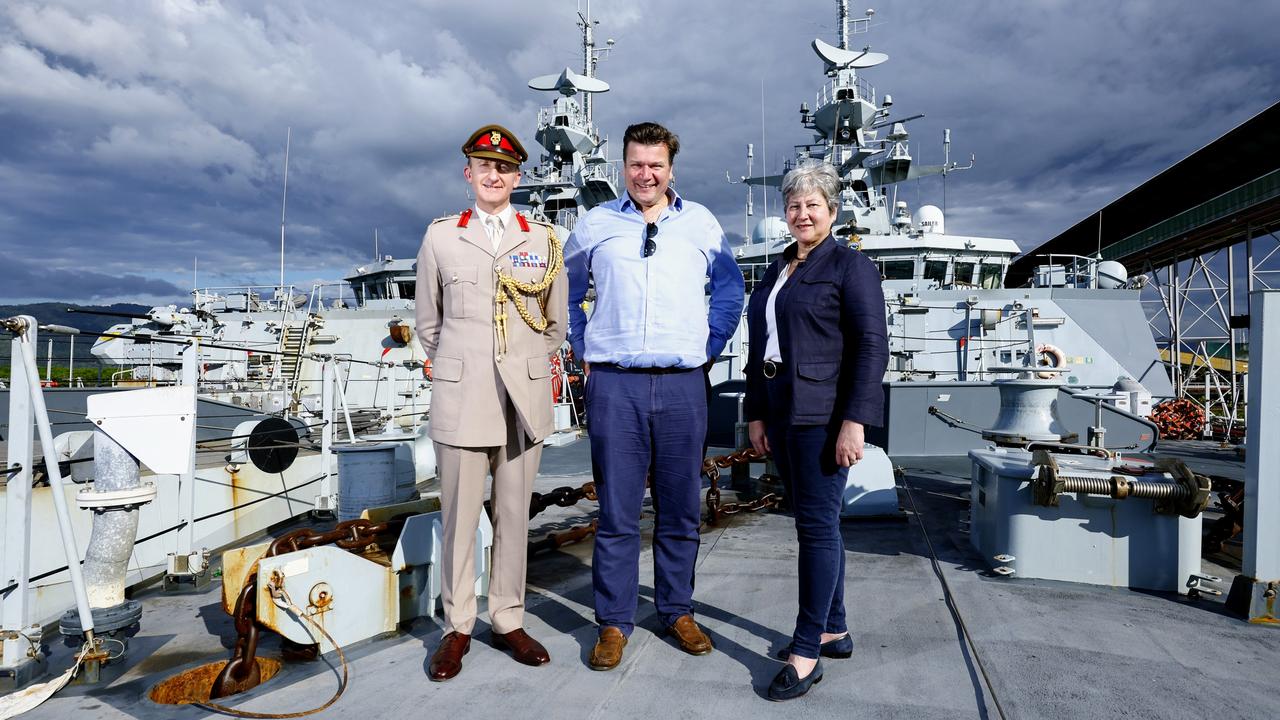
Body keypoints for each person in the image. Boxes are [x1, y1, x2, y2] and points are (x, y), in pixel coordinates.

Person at [565, 121, 745, 670]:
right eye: (636, 164)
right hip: (615, 384)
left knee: (679, 509)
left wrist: (706, 347)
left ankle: (677, 609)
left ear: (672, 169)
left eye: (656, 165)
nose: (646, 174)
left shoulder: (700, 223)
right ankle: (614, 622)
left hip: (683, 384)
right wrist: (583, 346)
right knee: (618, 513)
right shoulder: (595, 224)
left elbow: (730, 289)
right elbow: (567, 292)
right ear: (624, 166)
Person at [414, 124, 568, 681]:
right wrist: (467, 363)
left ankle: (507, 618)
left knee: (512, 516)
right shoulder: (441, 238)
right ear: (469, 174)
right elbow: (429, 325)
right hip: (463, 397)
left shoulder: (544, 239)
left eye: (503, 168)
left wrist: (520, 362)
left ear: (517, 177)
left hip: (522, 400)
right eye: (484, 166)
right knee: (458, 519)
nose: (494, 174)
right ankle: (457, 627)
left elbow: (555, 325)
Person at [743, 162, 889, 701]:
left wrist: (854, 421)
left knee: (816, 529)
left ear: (832, 210)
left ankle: (807, 651)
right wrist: (756, 413)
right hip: (781, 409)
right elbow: (762, 349)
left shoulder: (850, 267)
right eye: (794, 205)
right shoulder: (780, 268)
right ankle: (835, 628)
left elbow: (872, 347)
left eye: (813, 205)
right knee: (819, 523)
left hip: (823, 416)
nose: (803, 214)